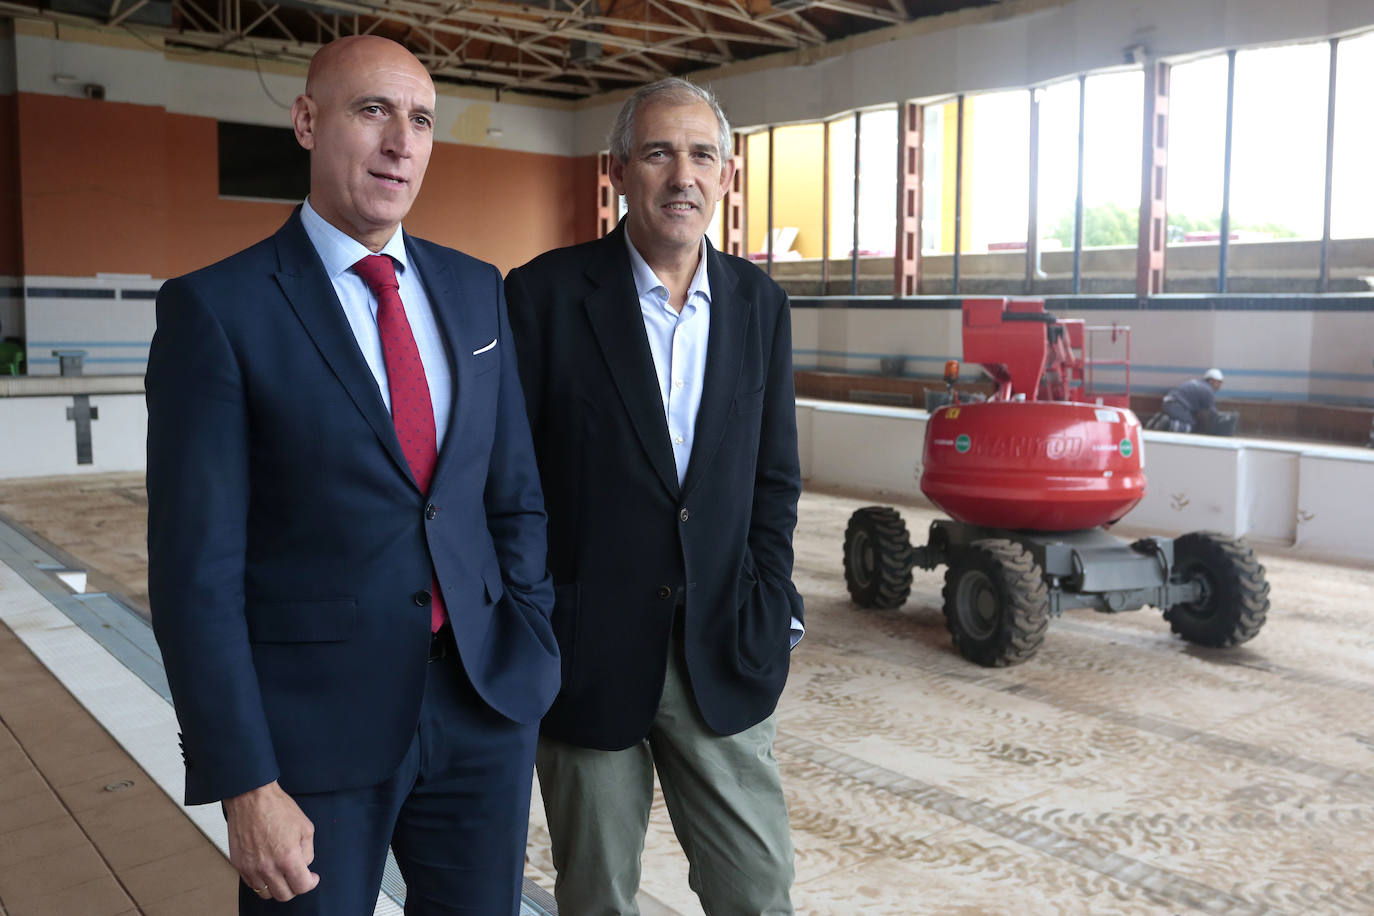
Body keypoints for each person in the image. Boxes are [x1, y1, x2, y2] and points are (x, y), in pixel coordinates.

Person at [145, 36, 558, 915]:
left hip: (481, 707)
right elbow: (196, 573)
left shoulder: (476, 288)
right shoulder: (219, 309)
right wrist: (245, 779)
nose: (400, 142)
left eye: (420, 120)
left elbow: (510, 493)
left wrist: (527, 632)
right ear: (306, 122)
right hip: (312, 737)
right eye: (373, 111)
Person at [505, 78, 803, 915]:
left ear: (727, 174)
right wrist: (534, 619)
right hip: (587, 655)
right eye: (659, 152)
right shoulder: (544, 297)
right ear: (618, 171)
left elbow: (775, 478)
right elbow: (510, 481)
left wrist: (770, 603)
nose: (683, 175)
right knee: (597, 895)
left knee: (759, 888)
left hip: (723, 649)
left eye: (702, 154)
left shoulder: (760, 307)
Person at [1148, 368, 1224, 433]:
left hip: (1168, 402)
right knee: (1191, 425)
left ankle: (1159, 418)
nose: (1220, 386)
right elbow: (1212, 411)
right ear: (1211, 381)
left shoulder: (1198, 384)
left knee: (1188, 419)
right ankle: (1168, 424)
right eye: (1219, 382)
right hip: (1176, 406)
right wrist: (1222, 419)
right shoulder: (1208, 390)